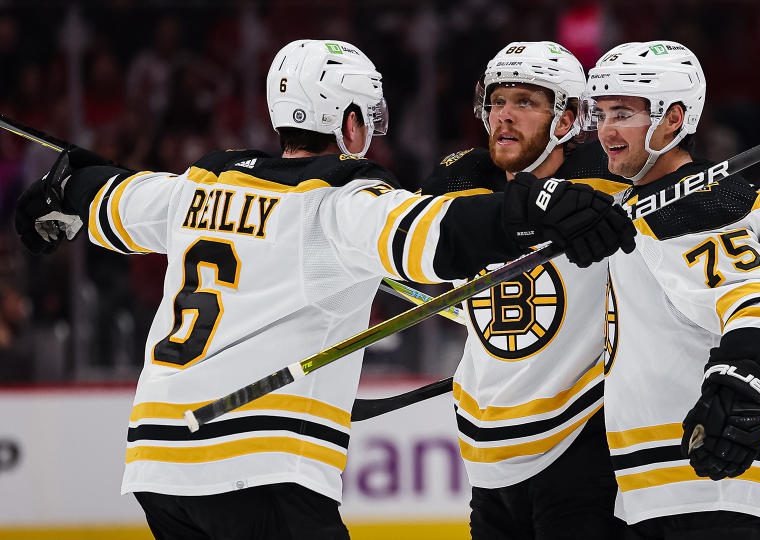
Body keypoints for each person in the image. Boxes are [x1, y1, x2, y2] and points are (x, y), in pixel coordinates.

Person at [12, 40, 636, 540]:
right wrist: (540, 207)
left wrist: (60, 190)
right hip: (260, 461)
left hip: (158, 461)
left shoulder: (194, 187)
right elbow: (437, 235)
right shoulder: (337, 204)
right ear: (348, 120)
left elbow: (101, 199)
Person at [422, 42, 760, 539]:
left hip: (613, 448)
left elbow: (713, 207)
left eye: (525, 102)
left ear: (563, 117)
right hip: (508, 452)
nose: (504, 117)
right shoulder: (462, 182)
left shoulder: (622, 184)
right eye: (497, 102)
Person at [582, 41, 760, 539]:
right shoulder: (693, 198)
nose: (606, 130)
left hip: (711, 477)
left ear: (674, 118)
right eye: (601, 112)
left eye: (624, 113)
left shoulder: (685, 206)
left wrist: (737, 391)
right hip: (683, 481)